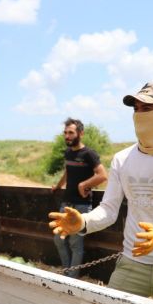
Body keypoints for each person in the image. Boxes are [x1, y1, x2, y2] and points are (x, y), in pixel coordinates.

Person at [48, 83, 153, 304]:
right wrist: (84, 222)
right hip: (132, 263)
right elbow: (109, 210)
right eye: (136, 109)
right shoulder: (122, 159)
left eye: (148, 108)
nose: (140, 114)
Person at [51, 118, 107, 277]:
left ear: (80, 133)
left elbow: (103, 175)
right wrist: (58, 185)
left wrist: (83, 185)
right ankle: (67, 271)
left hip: (81, 205)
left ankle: (71, 279)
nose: (67, 136)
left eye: (71, 133)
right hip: (66, 203)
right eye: (65, 133)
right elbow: (68, 171)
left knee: (75, 244)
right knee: (59, 239)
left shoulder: (89, 154)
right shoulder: (68, 152)